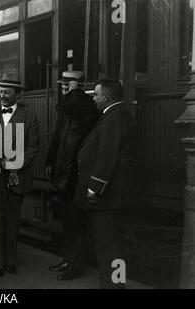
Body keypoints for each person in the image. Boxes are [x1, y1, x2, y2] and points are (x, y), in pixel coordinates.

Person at [68, 79, 134, 289]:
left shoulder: (114, 117)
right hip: (110, 195)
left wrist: (94, 187)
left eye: (96, 94)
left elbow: (107, 155)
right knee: (111, 245)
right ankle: (116, 284)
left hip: (105, 197)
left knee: (108, 246)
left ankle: (114, 286)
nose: (93, 98)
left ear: (106, 97)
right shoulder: (114, 115)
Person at [0, 73, 40, 280]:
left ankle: (11, 260)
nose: (2, 95)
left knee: (12, 219)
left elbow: (33, 148)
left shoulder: (29, 117)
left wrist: (17, 163)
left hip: (15, 176)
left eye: (7, 91)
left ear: (18, 94)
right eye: (1, 91)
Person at [45, 71, 99, 278]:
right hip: (64, 174)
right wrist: (50, 161)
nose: (63, 89)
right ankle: (68, 260)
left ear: (76, 86)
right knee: (67, 222)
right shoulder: (69, 107)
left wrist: (75, 92)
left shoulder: (83, 104)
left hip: (74, 176)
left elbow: (81, 114)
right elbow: (58, 137)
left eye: (67, 85)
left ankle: (75, 267)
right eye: (62, 85)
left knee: (75, 223)